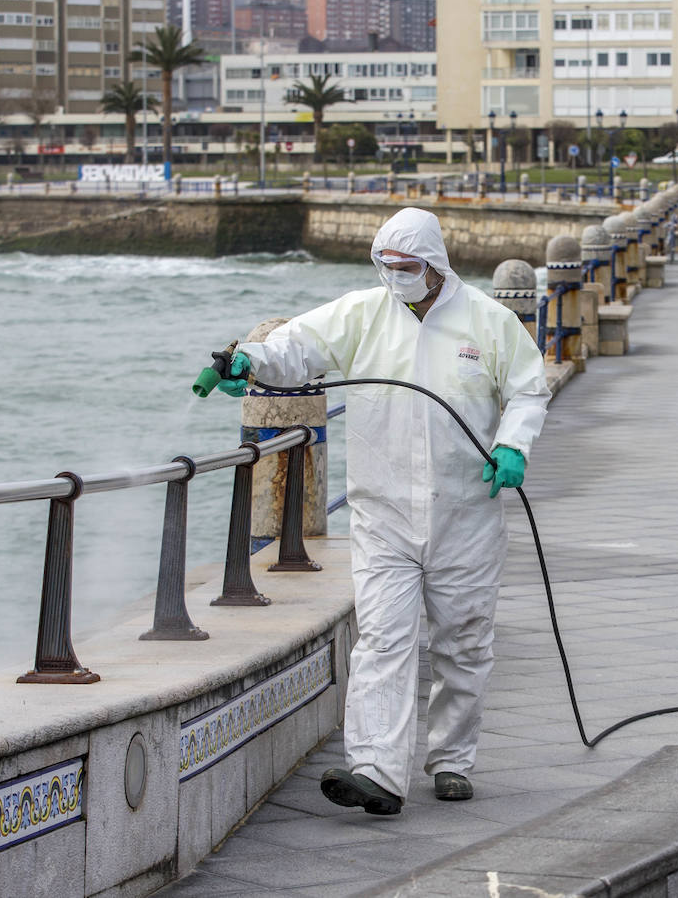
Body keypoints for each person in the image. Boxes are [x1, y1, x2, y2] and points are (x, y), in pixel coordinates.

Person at [206, 207, 550, 813]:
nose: (396, 276)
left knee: (462, 643)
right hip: (382, 512)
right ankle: (376, 771)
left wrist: (512, 445)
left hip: (466, 513)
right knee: (383, 640)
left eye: (408, 266)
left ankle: (450, 759)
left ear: (436, 265)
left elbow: (527, 387)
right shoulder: (361, 315)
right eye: (385, 265)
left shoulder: (488, 323)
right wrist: (248, 360)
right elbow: (296, 346)